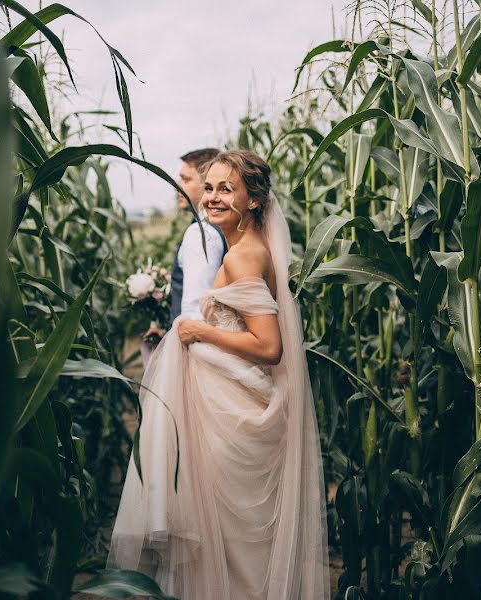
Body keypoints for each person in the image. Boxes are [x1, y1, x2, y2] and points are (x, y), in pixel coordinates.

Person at [109, 150, 330, 599]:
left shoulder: (244, 257)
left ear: (253, 200)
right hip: (232, 400)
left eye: (226, 189)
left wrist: (200, 330)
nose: (211, 197)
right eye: (208, 187)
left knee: (233, 542)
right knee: (235, 543)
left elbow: (269, 346)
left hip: (234, 411)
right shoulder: (242, 249)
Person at [140, 148, 225, 367]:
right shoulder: (220, 227)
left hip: (196, 358)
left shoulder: (202, 234)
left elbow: (197, 313)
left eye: (186, 179)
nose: (177, 185)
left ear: (208, 183)